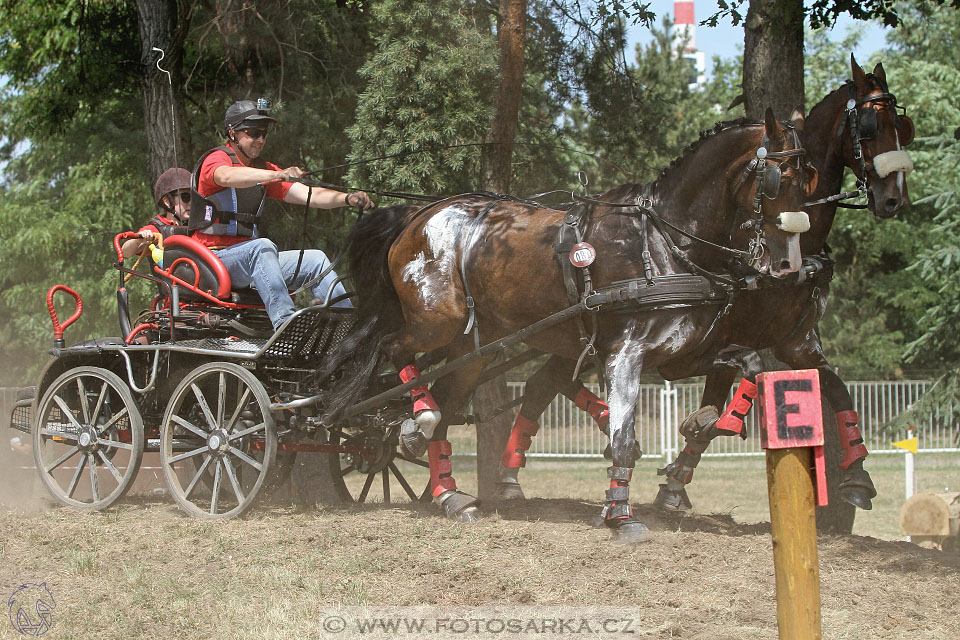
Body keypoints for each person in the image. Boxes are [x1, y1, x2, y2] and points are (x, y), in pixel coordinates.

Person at [191, 98, 373, 329]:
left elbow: (310, 195)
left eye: (264, 134)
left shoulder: (264, 170)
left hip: (250, 259)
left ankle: (349, 327)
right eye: (254, 132)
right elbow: (225, 176)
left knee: (315, 260)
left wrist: (347, 199)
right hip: (214, 260)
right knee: (262, 246)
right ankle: (286, 325)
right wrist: (273, 175)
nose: (260, 140)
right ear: (233, 133)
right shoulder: (216, 159)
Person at [121, 167, 192, 258]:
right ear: (167, 201)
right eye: (186, 197)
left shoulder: (198, 225)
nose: (191, 203)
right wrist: (138, 240)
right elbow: (125, 253)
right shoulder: (157, 229)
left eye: (194, 197)